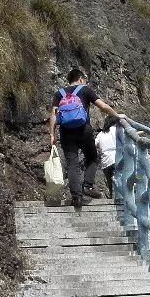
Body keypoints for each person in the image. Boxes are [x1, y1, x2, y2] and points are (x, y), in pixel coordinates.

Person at [48, 69, 123, 208]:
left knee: (72, 164)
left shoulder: (59, 93)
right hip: (83, 129)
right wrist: (117, 116)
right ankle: (87, 186)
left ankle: (76, 198)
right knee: (93, 157)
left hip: (66, 132)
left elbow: (53, 115)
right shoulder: (85, 90)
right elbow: (103, 106)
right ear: (81, 79)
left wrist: (52, 134)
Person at [94, 116, 120, 199]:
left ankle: (112, 197)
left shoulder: (100, 134)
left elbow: (94, 145)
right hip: (117, 159)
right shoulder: (117, 130)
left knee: (110, 183)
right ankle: (119, 199)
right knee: (119, 180)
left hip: (106, 162)